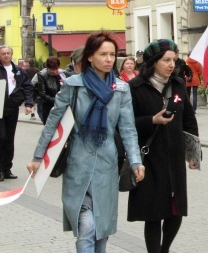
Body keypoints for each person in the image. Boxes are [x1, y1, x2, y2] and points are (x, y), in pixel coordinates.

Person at [26, 31, 145, 252]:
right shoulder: (74, 85)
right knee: (87, 227)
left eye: (112, 54)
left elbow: (128, 130)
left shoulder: (120, 88)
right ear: (90, 56)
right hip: (78, 164)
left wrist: (136, 161)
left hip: (108, 165)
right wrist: (37, 156)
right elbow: (53, 122)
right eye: (103, 54)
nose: (109, 59)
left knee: (102, 230)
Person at [127, 39, 199, 253]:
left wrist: (193, 152)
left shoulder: (178, 84)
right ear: (153, 62)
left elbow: (188, 120)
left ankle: (164, 249)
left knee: (176, 212)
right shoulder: (136, 87)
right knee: (153, 213)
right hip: (149, 157)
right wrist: (151, 120)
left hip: (175, 156)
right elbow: (127, 124)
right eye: (166, 60)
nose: (171, 64)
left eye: (173, 60)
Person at [0, 45, 34, 181]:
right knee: (1, 138)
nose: (6, 55)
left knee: (9, 139)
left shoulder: (18, 70)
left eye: (8, 53)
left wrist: (28, 103)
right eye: (3, 54)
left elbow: (28, 87)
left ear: (12, 54)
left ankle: (7, 169)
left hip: (12, 108)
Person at [36, 56, 70, 125]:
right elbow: (42, 94)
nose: (54, 71)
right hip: (49, 107)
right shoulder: (42, 75)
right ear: (47, 68)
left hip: (64, 107)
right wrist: (56, 100)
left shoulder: (64, 74)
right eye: (52, 69)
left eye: (56, 69)